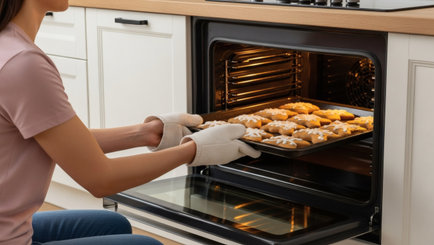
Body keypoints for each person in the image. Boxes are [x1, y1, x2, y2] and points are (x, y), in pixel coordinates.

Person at [0, 0, 261, 244]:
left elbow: (58, 140)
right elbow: (101, 180)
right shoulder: (23, 64)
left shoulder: (9, 47)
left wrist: (146, 133)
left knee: (111, 224)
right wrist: (193, 149)